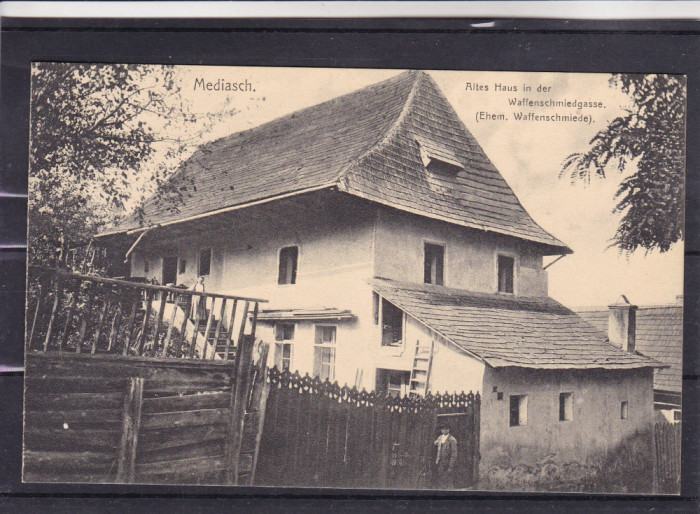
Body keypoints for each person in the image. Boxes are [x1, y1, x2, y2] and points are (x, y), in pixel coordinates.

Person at [434, 424, 458, 489]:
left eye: (446, 429)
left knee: (448, 479)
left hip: (448, 462)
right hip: (440, 461)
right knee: (440, 478)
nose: (444, 430)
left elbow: (454, 454)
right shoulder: (440, 438)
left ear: (449, 430)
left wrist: (451, 465)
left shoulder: (452, 440)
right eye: (443, 429)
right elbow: (435, 443)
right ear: (441, 430)